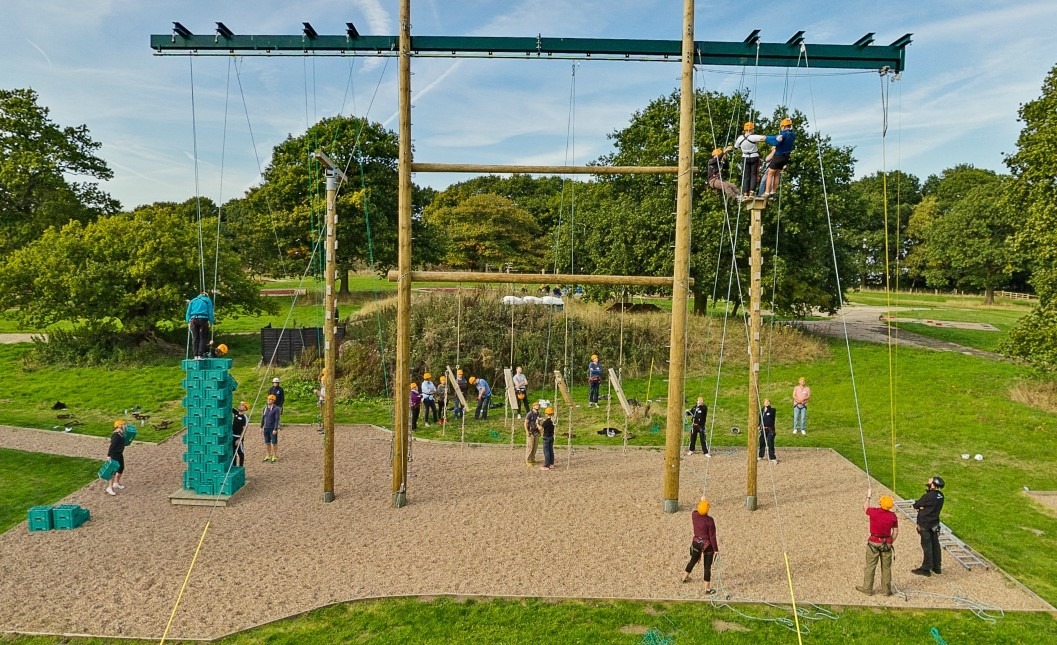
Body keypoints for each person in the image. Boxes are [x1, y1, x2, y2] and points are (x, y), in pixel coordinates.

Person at [858, 488, 899, 596]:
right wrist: (890, 541)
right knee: (886, 568)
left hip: (874, 542)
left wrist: (868, 496)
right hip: (887, 543)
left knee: (870, 566)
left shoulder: (874, 512)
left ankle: (867, 588)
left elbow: (865, 507)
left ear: (881, 503)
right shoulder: (893, 516)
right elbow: (895, 531)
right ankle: (886, 590)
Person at [681, 497, 719, 595]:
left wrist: (702, 501)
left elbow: (696, 510)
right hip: (707, 545)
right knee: (707, 567)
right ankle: (707, 589)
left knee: (693, 560)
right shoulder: (710, 521)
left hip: (696, 542)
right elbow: (712, 536)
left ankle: (684, 577)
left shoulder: (694, 515)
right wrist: (716, 549)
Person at [911, 476, 946, 576]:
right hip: (935, 523)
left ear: (933, 485)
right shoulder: (941, 496)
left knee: (927, 546)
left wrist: (922, 507)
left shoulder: (928, 496)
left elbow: (916, 505)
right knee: (935, 545)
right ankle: (937, 567)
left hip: (925, 523)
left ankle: (926, 568)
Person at [761, 117, 796, 198]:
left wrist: (766, 138)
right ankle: (773, 192)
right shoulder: (792, 135)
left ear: (783, 126)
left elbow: (776, 140)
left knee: (770, 174)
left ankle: (767, 192)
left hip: (778, 156)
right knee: (777, 174)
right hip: (785, 158)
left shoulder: (783, 135)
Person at [734, 121, 767, 198]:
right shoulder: (753, 137)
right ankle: (752, 192)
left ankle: (745, 193)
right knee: (754, 175)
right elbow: (763, 138)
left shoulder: (740, 138)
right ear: (751, 130)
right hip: (754, 156)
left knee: (746, 176)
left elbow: (736, 147)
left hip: (745, 157)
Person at [185, 291, 214, 360]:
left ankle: (195, 355)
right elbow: (210, 312)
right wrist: (212, 322)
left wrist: (188, 321)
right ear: (206, 295)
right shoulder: (207, 300)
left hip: (193, 320)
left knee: (195, 338)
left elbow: (188, 313)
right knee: (202, 338)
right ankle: (200, 355)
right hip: (203, 320)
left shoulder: (193, 300)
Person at [105, 420, 127, 496]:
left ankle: (116, 483)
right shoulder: (116, 435)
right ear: (119, 426)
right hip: (114, 455)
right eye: (124, 424)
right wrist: (109, 455)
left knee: (121, 468)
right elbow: (112, 446)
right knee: (113, 471)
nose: (125, 426)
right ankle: (109, 488)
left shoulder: (121, 434)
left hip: (119, 454)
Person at [261, 394, 280, 462]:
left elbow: (277, 419)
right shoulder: (265, 408)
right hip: (266, 428)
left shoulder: (276, 409)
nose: (269, 400)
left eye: (270, 399)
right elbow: (263, 418)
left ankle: (274, 455)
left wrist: (275, 429)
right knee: (267, 442)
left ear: (273, 401)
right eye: (268, 399)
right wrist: (261, 427)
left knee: (274, 443)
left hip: (272, 428)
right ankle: (268, 455)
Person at [758, 398, 777, 463]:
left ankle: (772, 457)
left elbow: (771, 416)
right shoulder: (762, 410)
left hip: (770, 429)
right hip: (763, 429)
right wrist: (759, 426)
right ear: (763, 403)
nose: (767, 403)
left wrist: (767, 407)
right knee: (762, 442)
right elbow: (760, 419)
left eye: (768, 402)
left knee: (770, 443)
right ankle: (761, 456)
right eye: (766, 402)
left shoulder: (772, 410)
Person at [524, 401, 541, 466]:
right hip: (530, 432)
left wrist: (539, 432)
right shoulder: (529, 414)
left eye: (538, 405)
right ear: (533, 406)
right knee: (530, 446)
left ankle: (533, 459)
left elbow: (538, 423)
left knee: (535, 446)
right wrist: (526, 431)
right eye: (536, 405)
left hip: (536, 432)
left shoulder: (539, 414)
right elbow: (526, 423)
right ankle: (528, 460)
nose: (538, 406)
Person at [232, 401, 249, 467]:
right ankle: (234, 466)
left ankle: (241, 467)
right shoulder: (236, 412)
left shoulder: (245, 417)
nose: (240, 405)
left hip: (238, 437)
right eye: (240, 404)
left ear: (245, 408)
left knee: (240, 453)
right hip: (232, 436)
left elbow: (245, 429)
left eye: (242, 405)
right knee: (233, 453)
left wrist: (239, 439)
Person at [541, 406, 556, 470]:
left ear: (546, 414)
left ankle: (546, 465)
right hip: (551, 436)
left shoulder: (546, 422)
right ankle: (551, 464)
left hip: (546, 437)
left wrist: (537, 423)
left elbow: (540, 428)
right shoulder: (552, 421)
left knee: (546, 451)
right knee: (551, 450)